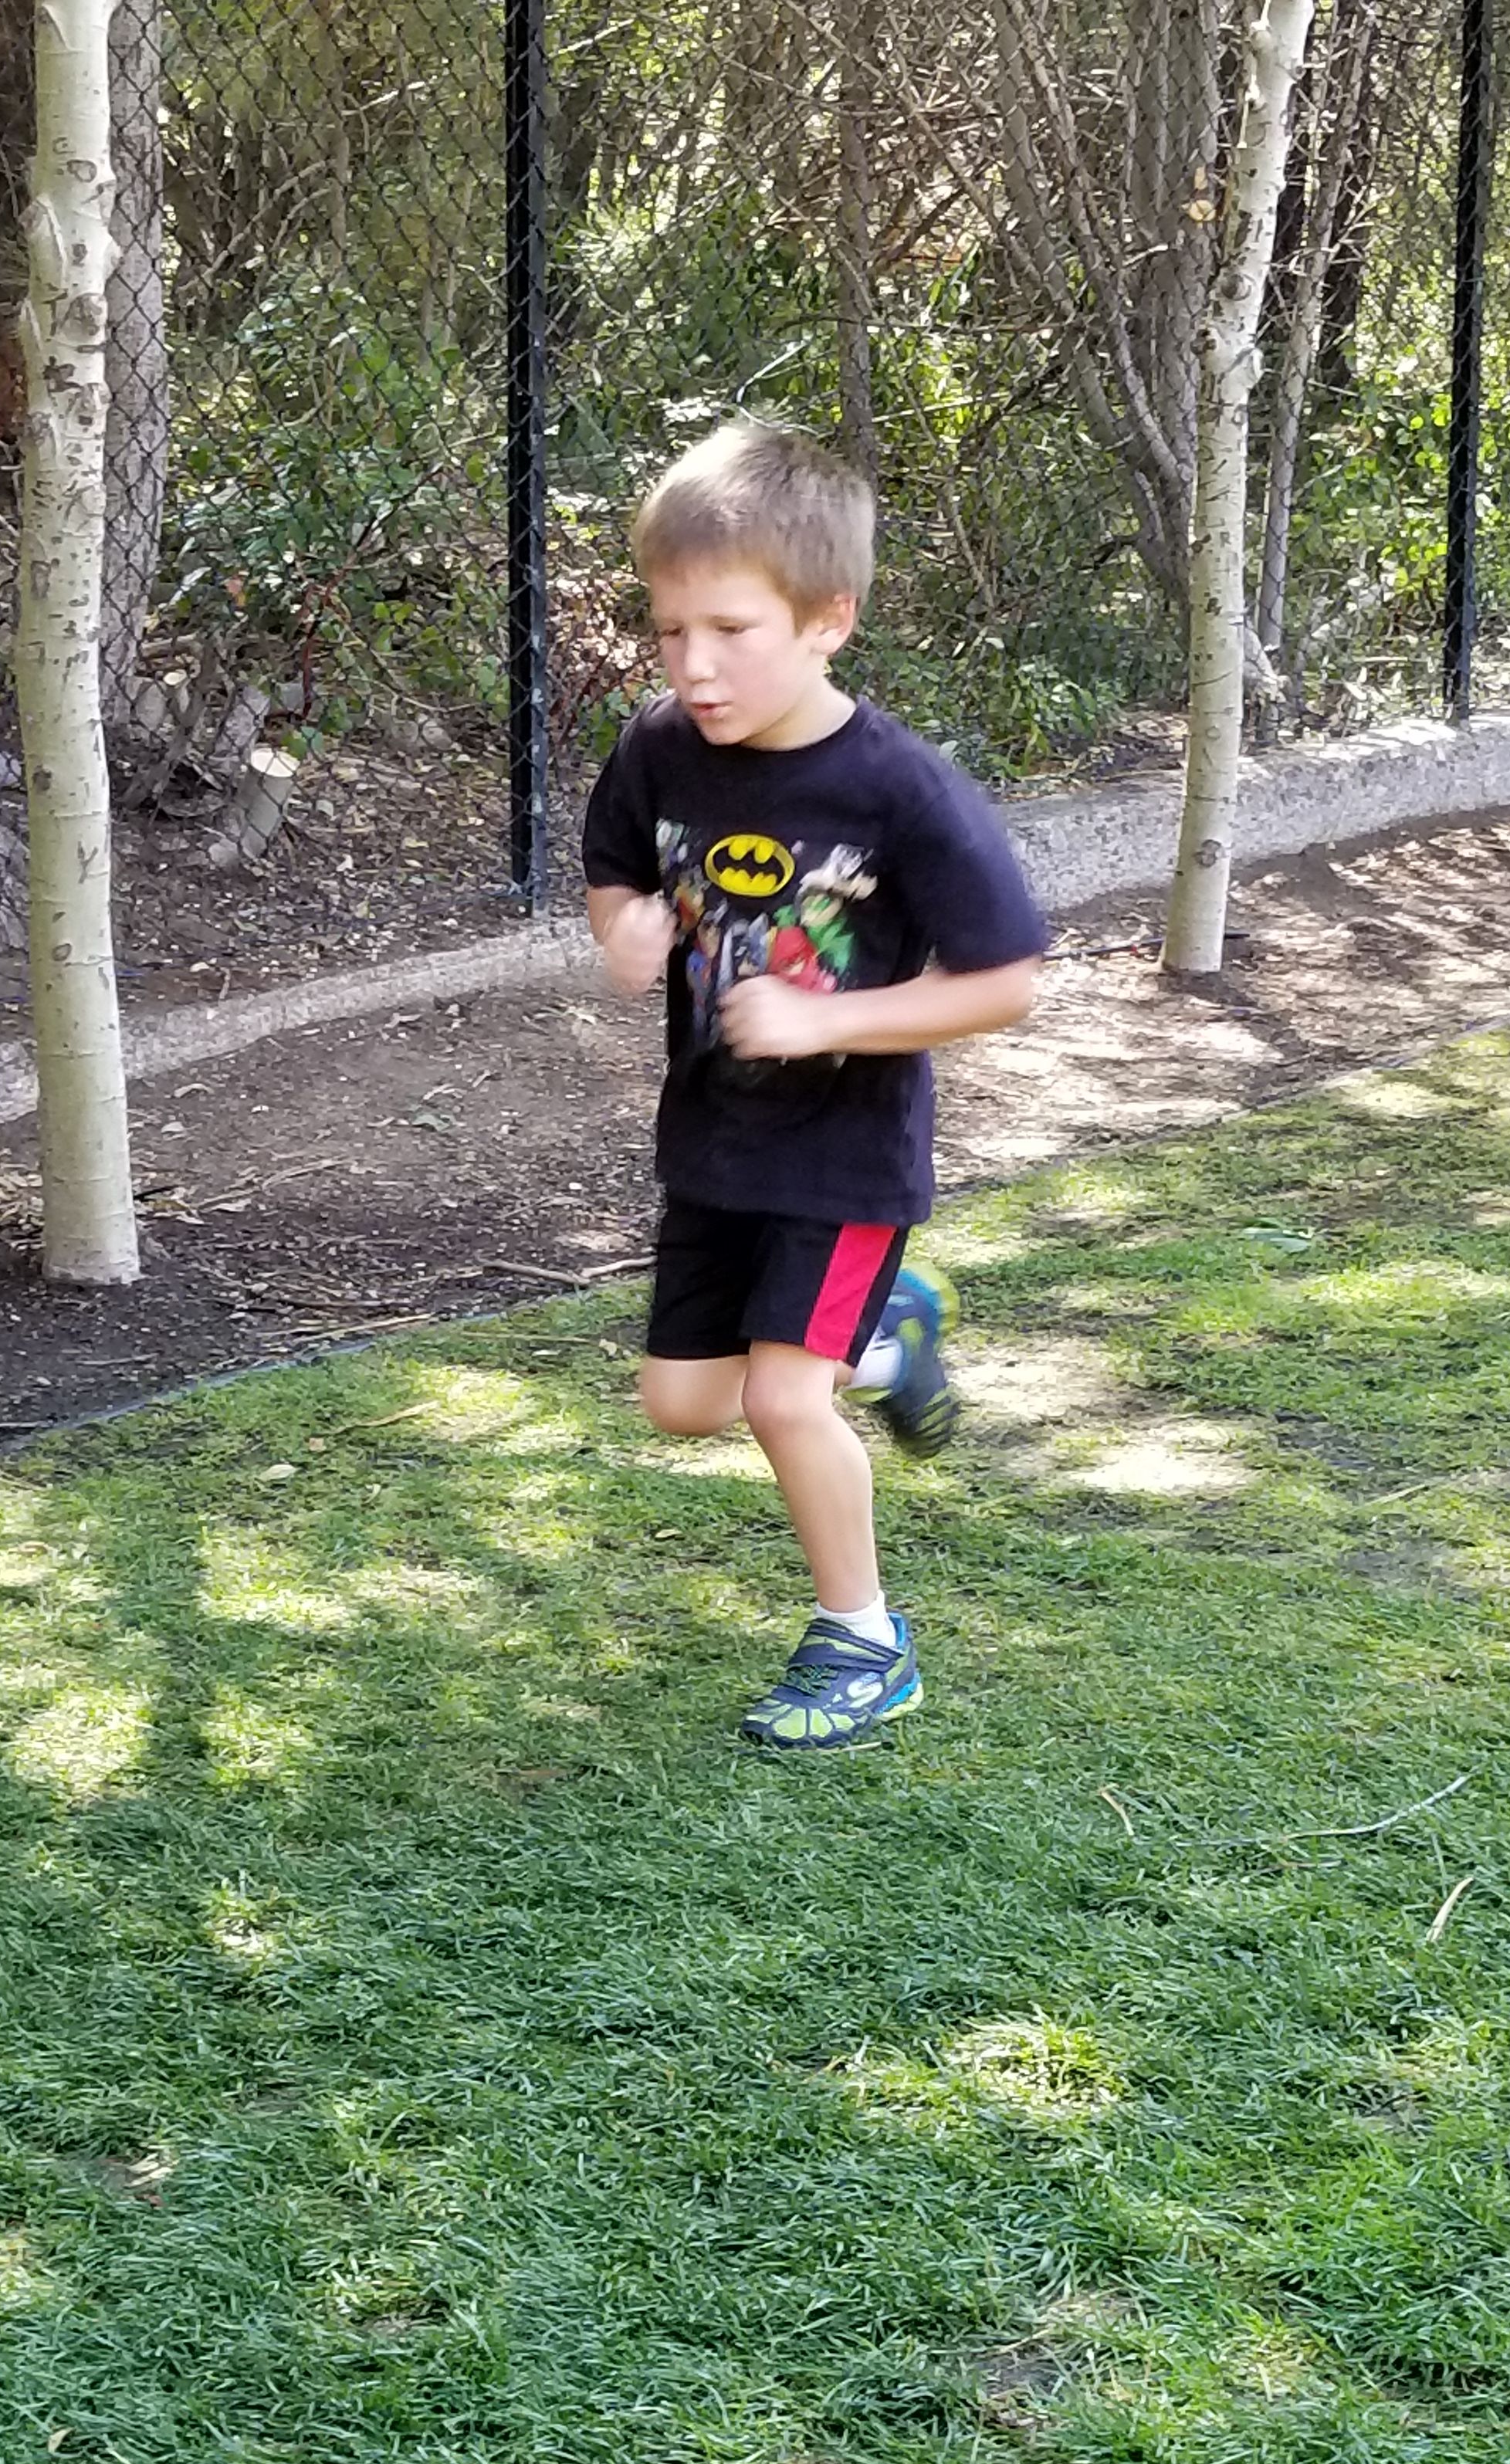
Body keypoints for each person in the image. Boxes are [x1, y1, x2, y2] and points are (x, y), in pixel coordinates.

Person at [582, 417, 1048, 1751]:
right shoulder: (661, 747)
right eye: (671, 631)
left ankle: (865, 1644)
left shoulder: (901, 790)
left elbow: (1006, 982)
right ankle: (885, 1329)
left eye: (731, 630)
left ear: (828, 620)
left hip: (847, 1156)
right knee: (683, 1406)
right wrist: (625, 930)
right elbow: (618, 870)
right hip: (713, 1143)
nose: (695, 665)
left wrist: (823, 1018)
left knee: (786, 1399)